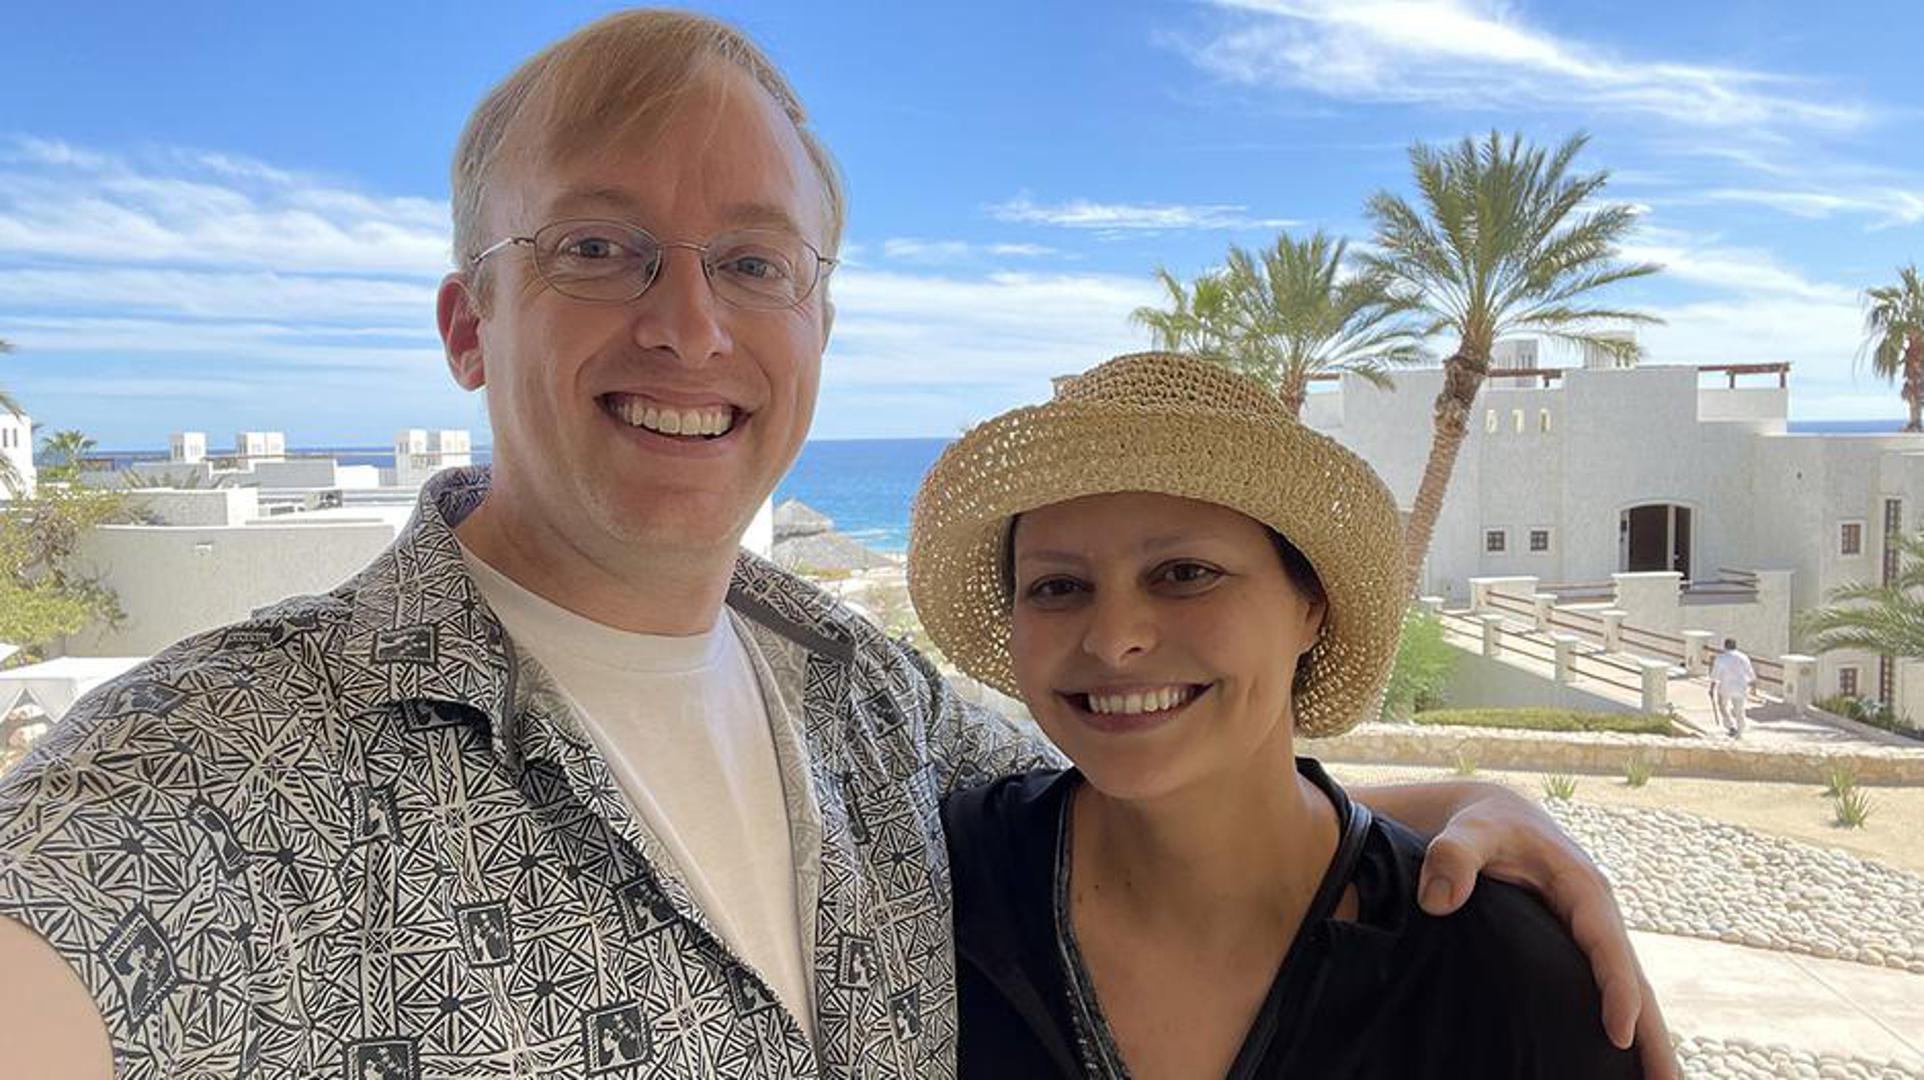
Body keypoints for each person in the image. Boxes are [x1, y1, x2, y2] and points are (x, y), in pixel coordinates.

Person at [0, 10, 1675, 1079]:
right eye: (598, 248)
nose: (686, 324)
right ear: (465, 324)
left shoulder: (864, 702)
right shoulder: (224, 768)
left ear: (815, 326)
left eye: (752, 263)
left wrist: (1463, 810)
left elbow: (1153, 774)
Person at [912, 352, 1645, 1077]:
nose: (1112, 639)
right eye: (1057, 586)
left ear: (1311, 608)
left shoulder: (1497, 976)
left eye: (1184, 574)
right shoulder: (936, 891)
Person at [1709, 637, 1758, 738]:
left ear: (1725, 646)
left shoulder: (1721, 658)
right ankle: (1740, 731)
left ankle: (1730, 726)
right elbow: (1750, 673)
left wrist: (1711, 688)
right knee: (1739, 710)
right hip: (1741, 687)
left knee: (1722, 706)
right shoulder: (1743, 657)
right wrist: (1753, 687)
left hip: (1725, 687)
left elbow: (1715, 675)